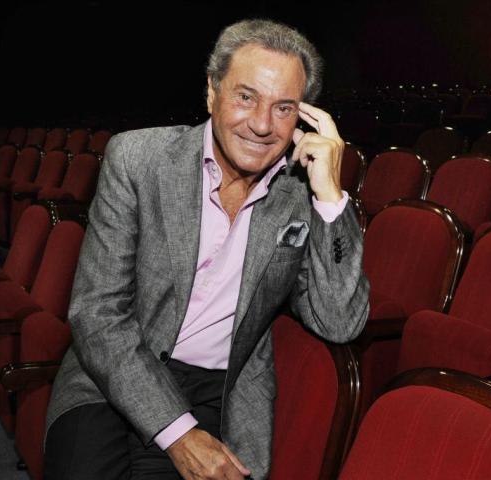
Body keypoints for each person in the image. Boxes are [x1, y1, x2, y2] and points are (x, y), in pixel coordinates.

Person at [44, 19, 369, 480]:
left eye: (283, 108)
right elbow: (96, 313)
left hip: (219, 393)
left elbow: (340, 321)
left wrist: (331, 197)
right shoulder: (137, 159)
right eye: (246, 97)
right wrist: (178, 434)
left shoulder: (302, 193)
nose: (262, 125)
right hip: (112, 372)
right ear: (212, 92)